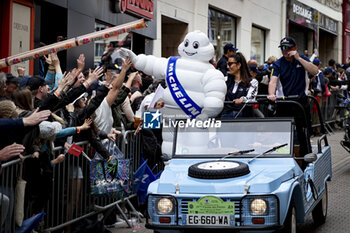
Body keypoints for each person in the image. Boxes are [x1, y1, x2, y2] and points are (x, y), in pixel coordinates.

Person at [268, 36, 318, 159]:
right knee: (282, 133)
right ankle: (282, 158)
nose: (285, 51)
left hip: (301, 102)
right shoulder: (278, 64)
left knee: (304, 132)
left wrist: (298, 58)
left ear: (294, 48)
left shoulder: (302, 60)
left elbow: (315, 71)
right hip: (284, 103)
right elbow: (273, 81)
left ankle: (307, 159)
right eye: (282, 48)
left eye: (287, 48)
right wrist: (271, 94)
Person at [221, 52, 257, 118]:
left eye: (230, 64)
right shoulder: (225, 80)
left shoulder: (252, 82)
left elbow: (252, 98)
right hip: (226, 118)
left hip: (243, 119)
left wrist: (242, 99)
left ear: (238, 65)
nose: (227, 66)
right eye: (227, 64)